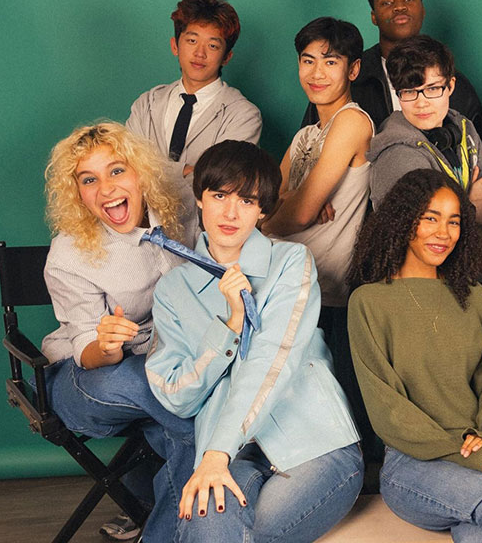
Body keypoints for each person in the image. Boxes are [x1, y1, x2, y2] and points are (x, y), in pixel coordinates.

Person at [145, 141, 363, 542]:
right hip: (234, 456)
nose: (231, 213)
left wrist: (215, 454)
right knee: (206, 524)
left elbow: (270, 359)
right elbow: (176, 395)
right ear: (199, 197)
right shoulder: (173, 290)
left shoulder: (291, 263)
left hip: (314, 444)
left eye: (247, 200)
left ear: (263, 209)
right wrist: (230, 324)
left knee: (248, 535)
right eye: (220, 195)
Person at [346, 169, 482, 542]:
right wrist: (466, 451)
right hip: (413, 466)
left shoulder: (472, 296)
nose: (444, 233)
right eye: (430, 218)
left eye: (454, 222)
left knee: (480, 533)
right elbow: (388, 410)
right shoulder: (370, 301)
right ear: (403, 221)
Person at [41, 121, 195, 543]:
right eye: (89, 179)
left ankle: (162, 529)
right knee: (184, 402)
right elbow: (86, 350)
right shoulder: (69, 253)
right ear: (78, 193)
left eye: (116, 170)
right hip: (87, 379)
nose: (106, 188)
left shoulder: (179, 211)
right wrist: (106, 345)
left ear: (140, 173)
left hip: (166, 369)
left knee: (185, 427)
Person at [261, 16, 378, 485]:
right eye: (307, 61)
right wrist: (285, 205)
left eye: (330, 61)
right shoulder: (307, 132)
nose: (316, 72)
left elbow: (297, 212)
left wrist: (289, 207)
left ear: (352, 70)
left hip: (328, 290)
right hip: (288, 284)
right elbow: (265, 199)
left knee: (335, 409)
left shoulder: (352, 122)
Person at [125, 0, 262, 231]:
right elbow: (126, 170)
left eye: (212, 45)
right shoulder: (146, 104)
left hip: (204, 243)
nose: (200, 53)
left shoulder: (244, 115)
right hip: (140, 233)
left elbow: (220, 185)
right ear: (175, 46)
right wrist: (187, 171)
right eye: (191, 40)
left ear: (227, 56)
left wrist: (151, 170)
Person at [302, 0, 482, 140]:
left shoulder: (455, 84)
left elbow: (476, 152)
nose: (399, 7)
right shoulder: (349, 77)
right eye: (387, 2)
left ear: (423, 11)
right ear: (374, 17)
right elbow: (309, 144)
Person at [366, 35, 482, 226]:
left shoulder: (465, 128)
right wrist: (470, 199)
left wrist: (456, 211)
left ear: (451, 86)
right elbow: (423, 229)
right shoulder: (397, 153)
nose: (421, 103)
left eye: (432, 89)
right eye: (409, 91)